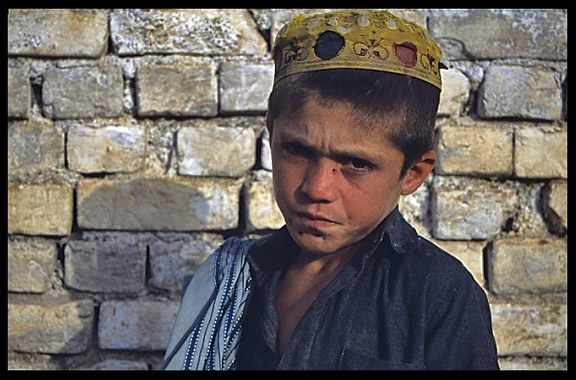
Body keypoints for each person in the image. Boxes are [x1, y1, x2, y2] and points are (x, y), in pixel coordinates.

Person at [162, 9, 499, 370]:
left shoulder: (439, 295)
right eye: (297, 150)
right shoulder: (231, 278)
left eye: (357, 164)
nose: (317, 189)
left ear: (413, 173)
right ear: (272, 137)